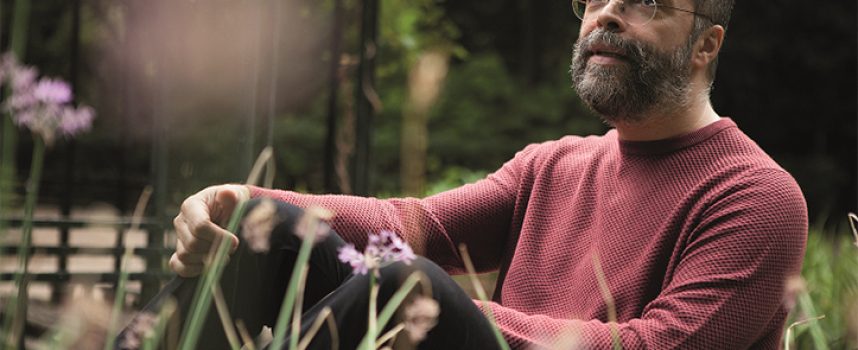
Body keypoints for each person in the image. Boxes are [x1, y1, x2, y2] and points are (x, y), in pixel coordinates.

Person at [168, 0, 808, 348]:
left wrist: (445, 312)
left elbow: (654, 346)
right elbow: (415, 226)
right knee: (270, 225)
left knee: (411, 287)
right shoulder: (552, 165)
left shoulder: (756, 196)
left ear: (706, 45)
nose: (609, 13)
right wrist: (243, 196)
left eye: (645, 2)